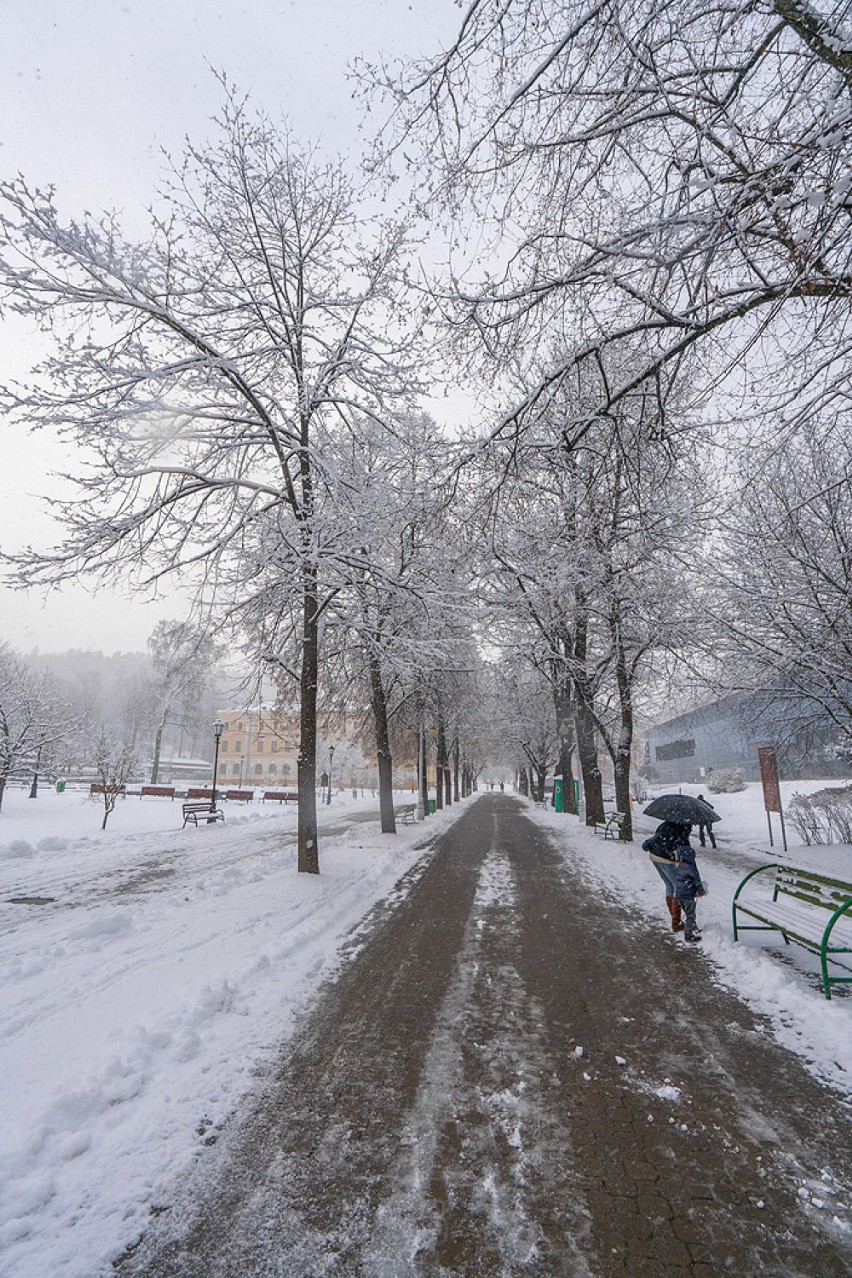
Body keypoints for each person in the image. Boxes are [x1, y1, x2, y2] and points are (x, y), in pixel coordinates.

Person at [642, 821, 690, 933]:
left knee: (669, 885)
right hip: (666, 859)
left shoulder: (666, 824)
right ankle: (676, 922)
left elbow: (656, 838)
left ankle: (674, 917)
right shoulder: (682, 828)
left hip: (655, 856)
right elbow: (685, 850)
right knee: (677, 887)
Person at [672, 827, 707, 943]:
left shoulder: (678, 866)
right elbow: (697, 881)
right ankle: (688, 934)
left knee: (688, 912)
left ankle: (692, 927)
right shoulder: (692, 869)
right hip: (688, 895)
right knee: (690, 914)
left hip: (679, 895)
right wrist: (701, 890)